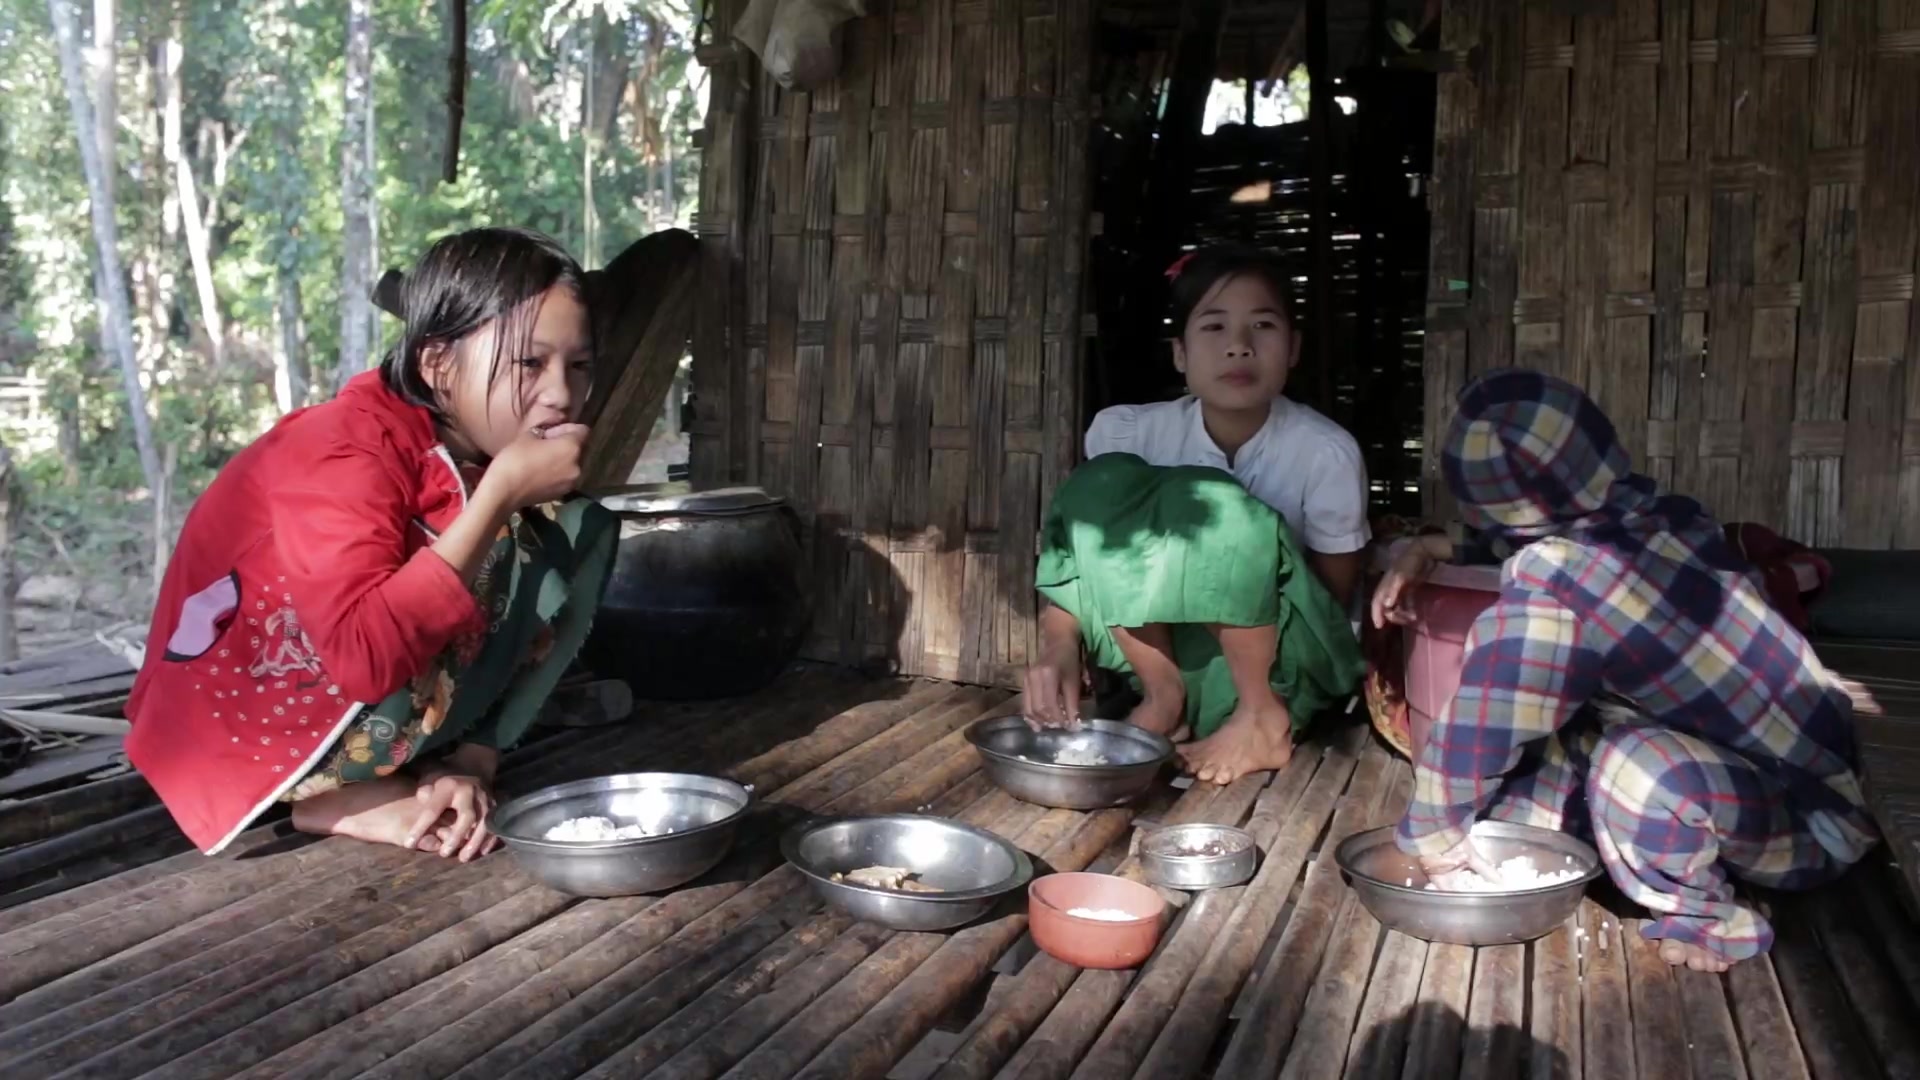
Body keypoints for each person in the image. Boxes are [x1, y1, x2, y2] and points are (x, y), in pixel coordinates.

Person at [126, 226, 618, 862]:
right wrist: (498, 496)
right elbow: (361, 656)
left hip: (376, 710)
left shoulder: (469, 448)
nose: (560, 392)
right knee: (497, 534)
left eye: (578, 366)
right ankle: (332, 791)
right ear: (436, 364)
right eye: (529, 363)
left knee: (581, 529)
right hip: (240, 733)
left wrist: (469, 764)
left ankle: (460, 760)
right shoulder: (344, 447)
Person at [1371, 368, 1877, 971]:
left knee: (1630, 769)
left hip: (1808, 823)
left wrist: (1433, 833)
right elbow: (1551, 536)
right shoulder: (1663, 517)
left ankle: (1713, 919)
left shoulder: (1558, 594)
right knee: (1552, 774)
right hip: (1803, 775)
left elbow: (1484, 724)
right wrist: (1433, 546)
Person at [1023, 245, 1369, 784]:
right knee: (1103, 482)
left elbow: (1330, 600)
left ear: (1294, 347)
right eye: (1213, 327)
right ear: (1180, 353)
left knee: (1211, 502)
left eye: (1262, 325)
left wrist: (1241, 562)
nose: (1238, 346)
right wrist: (1060, 644)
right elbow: (1085, 553)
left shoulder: (1324, 452)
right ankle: (1165, 698)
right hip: (1160, 657)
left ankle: (1261, 720)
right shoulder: (1131, 432)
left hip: (1279, 666)